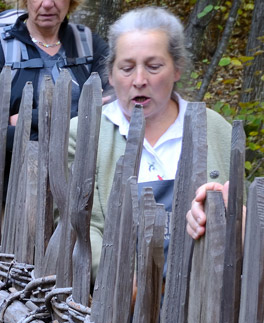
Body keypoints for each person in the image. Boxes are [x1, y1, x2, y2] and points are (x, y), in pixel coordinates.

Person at [69, 6, 232, 275]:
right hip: (117, 302)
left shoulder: (216, 129)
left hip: (207, 298)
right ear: (111, 74)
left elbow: (242, 218)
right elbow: (79, 225)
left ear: (177, 69)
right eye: (127, 68)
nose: (140, 80)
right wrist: (128, 289)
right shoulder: (83, 133)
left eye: (154, 66)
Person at [0, 0, 109, 156]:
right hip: (17, 175)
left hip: (85, 174)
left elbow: (117, 109)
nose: (47, 4)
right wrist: (83, 121)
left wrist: (29, 118)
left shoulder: (89, 44)